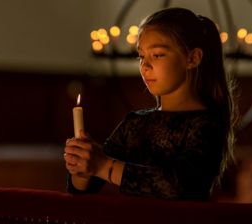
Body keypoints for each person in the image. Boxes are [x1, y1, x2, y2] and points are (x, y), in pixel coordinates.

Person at [64, 7, 236, 200]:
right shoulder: (135, 123)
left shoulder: (207, 124)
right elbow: (83, 189)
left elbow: (177, 186)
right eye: (141, 56)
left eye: (158, 55)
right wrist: (82, 165)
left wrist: (103, 166)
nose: (145, 66)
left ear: (193, 58)